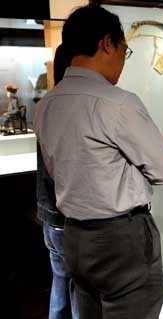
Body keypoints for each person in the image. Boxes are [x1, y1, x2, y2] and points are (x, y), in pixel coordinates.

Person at [33, 5, 163, 319]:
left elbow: (91, 152)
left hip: (74, 235)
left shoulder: (48, 103)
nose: (122, 63)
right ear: (107, 44)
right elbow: (160, 170)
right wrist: (154, 149)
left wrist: (158, 143)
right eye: (125, 51)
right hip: (120, 240)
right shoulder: (119, 102)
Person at [37, 44, 78, 319]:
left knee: (60, 280)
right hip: (66, 217)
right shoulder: (73, 108)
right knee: (78, 289)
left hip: (48, 215)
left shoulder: (47, 104)